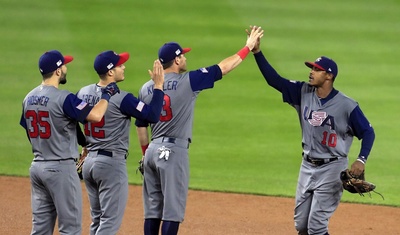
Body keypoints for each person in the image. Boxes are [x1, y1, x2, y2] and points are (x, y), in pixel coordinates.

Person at [135, 26, 264, 235]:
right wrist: (248, 47)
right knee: (172, 211)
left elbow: (141, 125)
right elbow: (224, 67)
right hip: (172, 153)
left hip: (151, 152)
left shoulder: (146, 87)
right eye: (183, 56)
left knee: (152, 209)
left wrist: (145, 153)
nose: (185, 59)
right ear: (176, 61)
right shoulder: (189, 81)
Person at [248, 26, 375, 235]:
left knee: (317, 226)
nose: (311, 71)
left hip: (332, 169)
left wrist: (361, 159)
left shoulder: (347, 105)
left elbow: (368, 132)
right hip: (307, 166)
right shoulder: (303, 92)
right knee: (302, 226)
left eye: (316, 69)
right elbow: (274, 80)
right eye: (312, 68)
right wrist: (257, 52)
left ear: (329, 76)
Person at [20, 50, 120, 235]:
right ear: (58, 71)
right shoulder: (64, 98)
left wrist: (81, 143)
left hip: (37, 168)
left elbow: (29, 130)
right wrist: (107, 95)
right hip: (60, 169)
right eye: (64, 65)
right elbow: (96, 115)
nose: (66, 68)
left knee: (40, 230)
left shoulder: (28, 98)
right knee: (70, 229)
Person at [76, 50, 165, 235]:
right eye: (120, 65)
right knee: (109, 223)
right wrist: (158, 86)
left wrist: (83, 146)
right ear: (110, 72)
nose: (124, 67)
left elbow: (70, 122)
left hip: (89, 163)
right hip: (110, 165)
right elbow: (152, 115)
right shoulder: (122, 98)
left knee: (97, 220)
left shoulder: (82, 92)